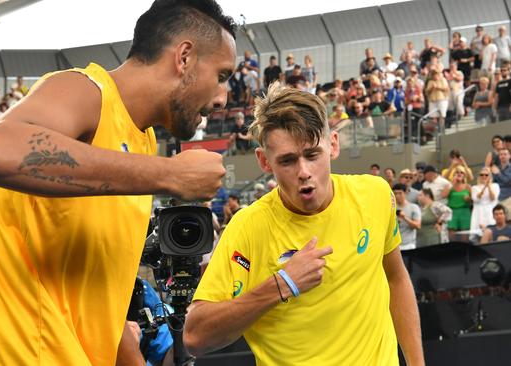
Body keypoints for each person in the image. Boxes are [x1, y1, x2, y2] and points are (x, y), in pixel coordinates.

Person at [0, 1, 235, 364]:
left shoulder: (142, 143)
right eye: (222, 75)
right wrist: (172, 174)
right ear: (184, 57)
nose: (223, 97)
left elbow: (99, 306)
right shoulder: (86, 90)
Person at [183, 83, 423, 365]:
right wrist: (282, 284)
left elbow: (395, 277)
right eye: (287, 161)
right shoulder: (248, 227)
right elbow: (195, 337)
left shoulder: (376, 194)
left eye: (312, 155)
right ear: (264, 161)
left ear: (333, 144)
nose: (304, 172)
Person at [442, 166, 472, 241]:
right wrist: (452, 183)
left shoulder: (468, 187)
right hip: (452, 212)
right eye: (457, 172)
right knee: (452, 236)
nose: (459, 174)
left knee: (464, 236)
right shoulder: (450, 186)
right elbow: (443, 195)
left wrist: (469, 199)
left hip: (465, 211)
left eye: (461, 172)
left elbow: (474, 200)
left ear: (464, 175)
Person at [470, 167, 500, 240]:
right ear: (479, 176)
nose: (484, 176)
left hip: (490, 211)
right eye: (482, 175)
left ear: (490, 176)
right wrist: (484, 187)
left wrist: (488, 186)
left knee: (491, 232)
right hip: (478, 212)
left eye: (486, 175)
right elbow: (476, 199)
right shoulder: (474, 187)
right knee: (478, 235)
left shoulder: (495, 186)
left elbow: (493, 197)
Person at [393, 183, 421, 250]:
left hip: (409, 245)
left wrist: (404, 218)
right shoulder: (391, 208)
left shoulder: (414, 207)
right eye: (395, 193)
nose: (397, 196)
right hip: (394, 246)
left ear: (405, 193)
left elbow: (418, 226)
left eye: (400, 193)